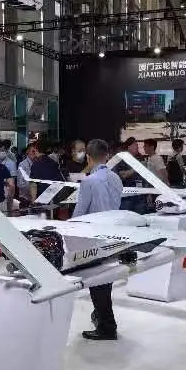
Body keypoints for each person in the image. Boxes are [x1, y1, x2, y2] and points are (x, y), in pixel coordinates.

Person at [73, 139, 123, 341]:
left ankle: (106, 326)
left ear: (88, 157)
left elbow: (79, 213)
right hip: (114, 235)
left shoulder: (89, 182)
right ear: (107, 155)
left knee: (97, 283)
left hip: (94, 238)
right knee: (106, 280)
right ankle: (101, 317)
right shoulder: (116, 178)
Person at [17, 142, 38, 208]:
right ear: (27, 152)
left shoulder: (37, 163)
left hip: (35, 198)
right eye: (33, 151)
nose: (34, 153)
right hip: (25, 199)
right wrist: (32, 190)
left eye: (36, 151)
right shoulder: (22, 164)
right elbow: (20, 184)